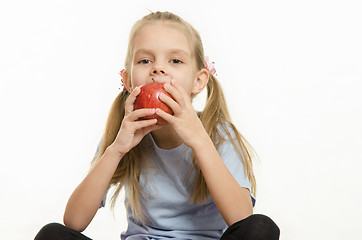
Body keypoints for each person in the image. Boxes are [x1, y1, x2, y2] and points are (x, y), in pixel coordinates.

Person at [35, 11, 280, 240]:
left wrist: (199, 141)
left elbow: (242, 219)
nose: (158, 68)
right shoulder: (124, 135)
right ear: (128, 80)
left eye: (175, 60)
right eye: (144, 60)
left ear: (198, 81)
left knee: (261, 228)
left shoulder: (218, 134)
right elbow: (73, 221)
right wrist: (116, 150)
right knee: (52, 234)